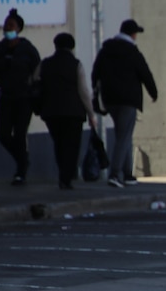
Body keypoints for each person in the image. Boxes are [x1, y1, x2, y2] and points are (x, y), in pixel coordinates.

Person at [91, 19, 157, 188]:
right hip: (128, 99)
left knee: (124, 134)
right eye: (136, 34)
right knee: (123, 136)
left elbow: (95, 71)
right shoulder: (132, 51)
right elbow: (145, 72)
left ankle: (128, 174)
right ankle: (115, 174)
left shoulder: (106, 50)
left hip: (110, 99)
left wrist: (96, 91)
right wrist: (153, 92)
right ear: (132, 34)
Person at [0, 8, 41, 186]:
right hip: (5, 97)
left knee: (20, 133)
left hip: (24, 98)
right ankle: (22, 159)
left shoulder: (28, 50)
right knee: (2, 133)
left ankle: (20, 171)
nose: (7, 28)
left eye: (11, 25)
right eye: (6, 25)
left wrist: (38, 97)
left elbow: (38, 74)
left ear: (19, 29)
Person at [34, 33, 98, 190]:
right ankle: (66, 177)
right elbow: (83, 91)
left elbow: (34, 81)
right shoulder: (76, 64)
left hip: (51, 112)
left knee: (59, 144)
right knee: (72, 145)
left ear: (55, 45)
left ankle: (63, 172)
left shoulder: (45, 63)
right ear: (72, 47)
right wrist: (91, 113)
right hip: (73, 112)